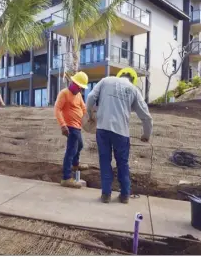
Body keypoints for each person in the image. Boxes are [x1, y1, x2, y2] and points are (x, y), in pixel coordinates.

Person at [86, 67, 153, 204]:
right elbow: (146, 116)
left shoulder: (106, 81)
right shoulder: (133, 90)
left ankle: (106, 195)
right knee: (123, 163)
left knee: (104, 161)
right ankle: (124, 195)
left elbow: (90, 97)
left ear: (120, 75)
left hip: (103, 129)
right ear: (133, 80)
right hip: (121, 132)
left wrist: (90, 113)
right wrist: (146, 134)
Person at [54, 71, 90, 189]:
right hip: (70, 127)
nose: (80, 90)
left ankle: (75, 165)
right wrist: (63, 125)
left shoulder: (78, 94)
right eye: (79, 87)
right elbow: (57, 109)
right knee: (71, 150)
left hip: (77, 126)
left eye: (81, 88)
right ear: (74, 83)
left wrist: (88, 117)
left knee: (80, 145)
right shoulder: (64, 93)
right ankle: (66, 178)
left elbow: (83, 107)